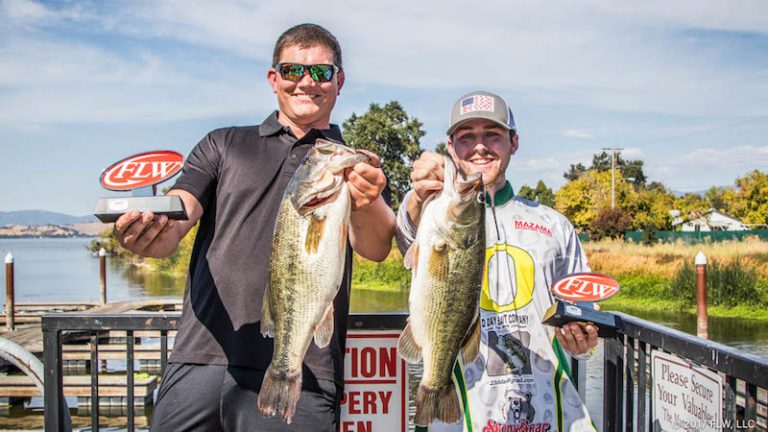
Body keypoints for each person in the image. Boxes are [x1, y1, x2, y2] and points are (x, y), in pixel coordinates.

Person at [113, 23, 396, 431]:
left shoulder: (353, 164)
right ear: (273, 78)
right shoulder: (223, 143)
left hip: (305, 367)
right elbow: (178, 217)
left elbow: (375, 247)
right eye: (291, 70)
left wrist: (367, 200)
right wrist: (150, 231)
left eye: (320, 72)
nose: (305, 83)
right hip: (201, 358)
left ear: (339, 81)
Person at [397, 90, 598, 431]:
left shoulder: (555, 224)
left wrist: (583, 337)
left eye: (492, 134)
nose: (479, 146)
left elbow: (583, 315)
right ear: (449, 147)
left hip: (551, 414)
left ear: (513, 143)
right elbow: (407, 228)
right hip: (461, 416)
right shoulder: (432, 212)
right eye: (466, 137)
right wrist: (418, 195)